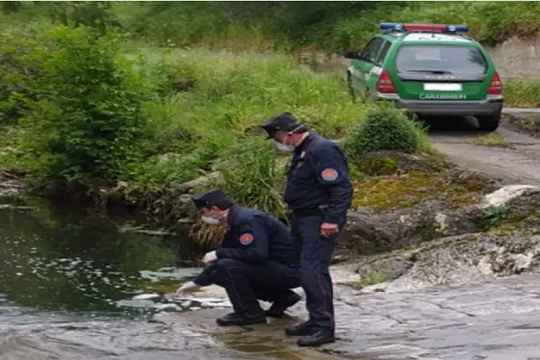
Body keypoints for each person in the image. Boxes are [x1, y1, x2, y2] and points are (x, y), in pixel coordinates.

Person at [260, 112, 353, 347]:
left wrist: (332, 220)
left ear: (287, 134)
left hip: (318, 218)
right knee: (305, 271)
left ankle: (324, 327)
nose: (277, 143)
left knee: (314, 272)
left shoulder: (322, 150)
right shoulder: (304, 150)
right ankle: (314, 319)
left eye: (276, 138)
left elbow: (341, 188)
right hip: (303, 218)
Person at [176, 188, 302, 326]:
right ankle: (282, 298)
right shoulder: (236, 221)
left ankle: (249, 313)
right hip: (278, 267)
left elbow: (257, 254)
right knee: (218, 270)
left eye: (203, 212)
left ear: (214, 208)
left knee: (227, 266)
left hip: (292, 271)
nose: (203, 217)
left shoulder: (247, 220)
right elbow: (223, 258)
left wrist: (219, 253)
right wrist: (196, 283)